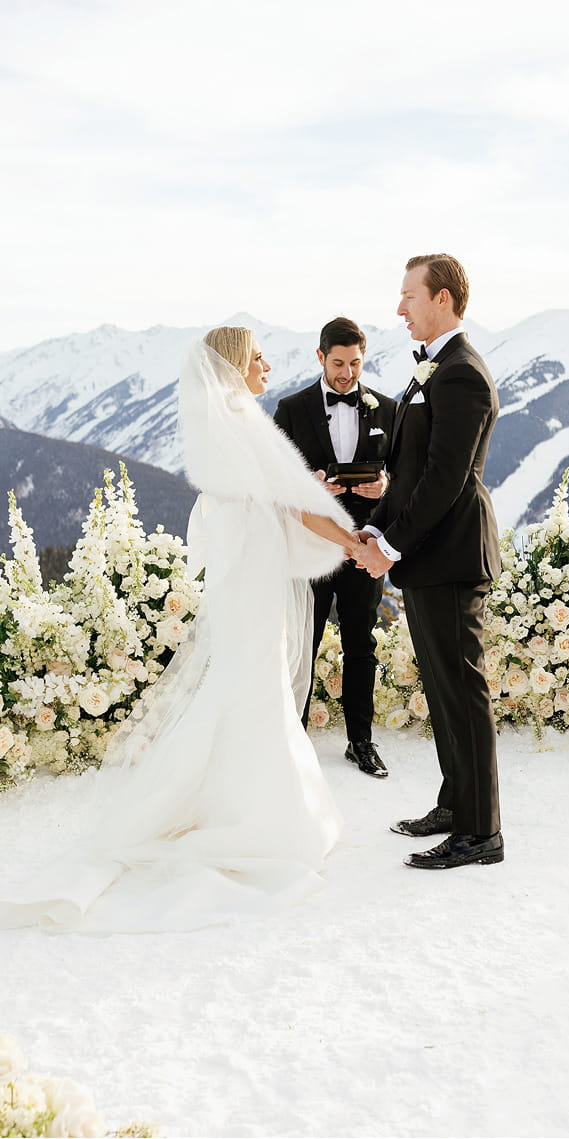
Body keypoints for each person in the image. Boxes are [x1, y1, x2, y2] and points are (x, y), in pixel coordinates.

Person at [0, 327, 360, 932]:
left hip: (244, 580)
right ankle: (256, 820)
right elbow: (294, 506)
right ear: (235, 367)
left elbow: (265, 498)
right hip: (255, 582)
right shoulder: (244, 423)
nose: (267, 363)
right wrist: (354, 543)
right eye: (256, 356)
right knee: (255, 691)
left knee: (244, 688)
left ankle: (224, 801)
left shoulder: (221, 426)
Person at [356, 255, 504, 871]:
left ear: (441, 299)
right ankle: (454, 802)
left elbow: (446, 481)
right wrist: (374, 527)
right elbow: (409, 474)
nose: (399, 309)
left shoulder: (462, 375)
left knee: (462, 690)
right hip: (427, 557)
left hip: (448, 555)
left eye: (408, 296)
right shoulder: (432, 373)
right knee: (442, 689)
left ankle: (482, 832)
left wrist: (389, 548)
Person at [274, 317, 396, 778]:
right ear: (321, 357)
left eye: (356, 364)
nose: (348, 373)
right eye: (339, 363)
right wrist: (306, 485)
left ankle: (360, 742)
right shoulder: (291, 408)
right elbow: (276, 477)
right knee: (302, 640)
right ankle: (295, 738)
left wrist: (383, 486)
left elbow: (404, 475)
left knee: (360, 641)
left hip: (366, 544)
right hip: (311, 546)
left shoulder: (386, 407)